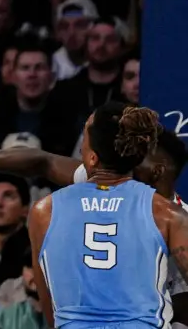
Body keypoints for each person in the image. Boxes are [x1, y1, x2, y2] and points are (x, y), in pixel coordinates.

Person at [29, 101, 188, 328]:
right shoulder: (168, 214)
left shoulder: (44, 211)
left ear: (92, 157)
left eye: (84, 138)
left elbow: (50, 308)